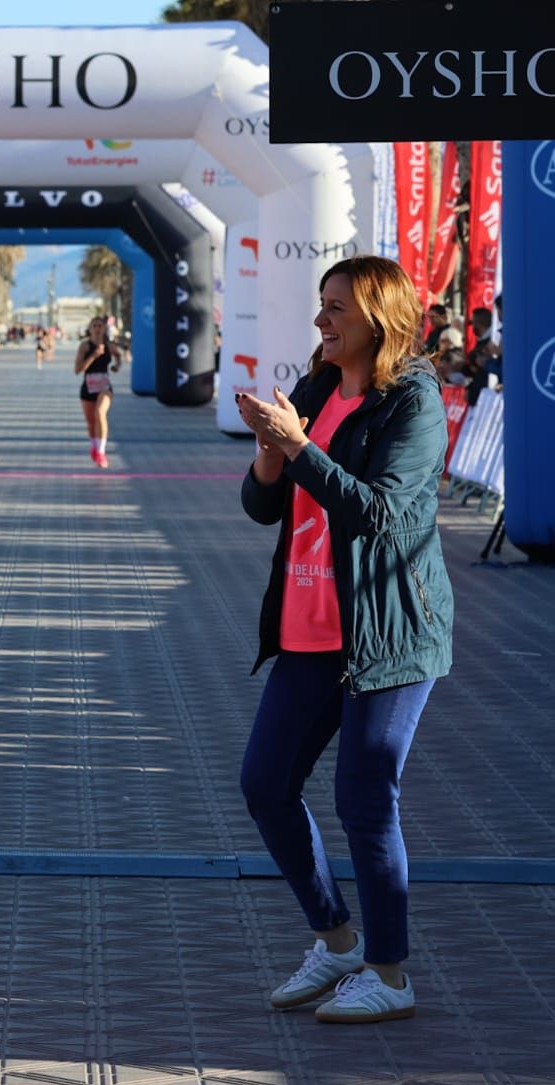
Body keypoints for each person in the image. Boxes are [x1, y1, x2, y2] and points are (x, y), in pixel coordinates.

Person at [235, 254, 453, 1025]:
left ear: (378, 318)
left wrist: (300, 449)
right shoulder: (318, 386)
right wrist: (270, 453)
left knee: (363, 798)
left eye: (336, 308)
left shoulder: (414, 400)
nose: (321, 320)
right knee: (265, 784)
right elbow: (266, 506)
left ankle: (389, 973)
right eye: (321, 304)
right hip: (309, 627)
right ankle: (335, 938)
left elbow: (382, 515)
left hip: (388, 632)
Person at [74, 316, 121, 468]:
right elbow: (77, 370)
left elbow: (118, 355)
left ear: (105, 328)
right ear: (90, 329)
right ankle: (94, 447)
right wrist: (94, 356)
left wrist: (117, 366)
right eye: (94, 325)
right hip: (88, 387)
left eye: (100, 325)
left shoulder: (109, 345)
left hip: (104, 387)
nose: (97, 328)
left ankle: (101, 452)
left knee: (100, 413)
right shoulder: (84, 346)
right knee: (91, 423)